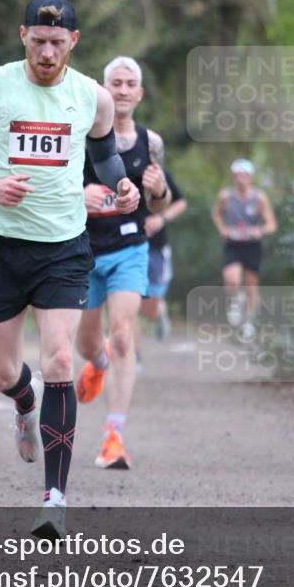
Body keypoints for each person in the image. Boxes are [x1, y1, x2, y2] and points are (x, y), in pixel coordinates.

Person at [0, 0, 140, 539]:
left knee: (57, 360)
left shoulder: (92, 98)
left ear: (74, 42)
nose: (47, 53)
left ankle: (55, 498)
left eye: (58, 43)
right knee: (4, 373)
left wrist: (121, 184)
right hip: (1, 245)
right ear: (22, 34)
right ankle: (24, 405)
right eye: (38, 41)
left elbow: (104, 154)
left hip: (64, 247)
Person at [74, 57, 171, 470]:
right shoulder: (81, 134)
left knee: (124, 334)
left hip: (130, 250)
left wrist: (160, 188)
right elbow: (55, 187)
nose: (124, 90)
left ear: (140, 93)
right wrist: (81, 196)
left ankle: (113, 435)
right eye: (116, 82)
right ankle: (96, 364)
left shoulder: (152, 143)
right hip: (82, 251)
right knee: (87, 342)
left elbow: (159, 201)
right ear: (103, 87)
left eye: (131, 83)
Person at [211, 159, 276, 326]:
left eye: (244, 175)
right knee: (231, 278)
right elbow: (216, 214)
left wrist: (259, 231)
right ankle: (234, 301)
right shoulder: (225, 196)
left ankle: (249, 321)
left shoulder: (259, 198)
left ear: (250, 177)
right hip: (233, 243)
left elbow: (271, 224)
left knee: (251, 285)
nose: (240, 179)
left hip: (252, 245)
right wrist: (222, 229)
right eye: (237, 176)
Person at [141, 168, 188, 340]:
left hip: (156, 249)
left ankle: (159, 314)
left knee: (150, 310)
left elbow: (181, 202)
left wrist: (162, 219)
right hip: (126, 247)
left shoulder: (158, 173)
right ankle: (134, 358)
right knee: (129, 302)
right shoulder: (111, 167)